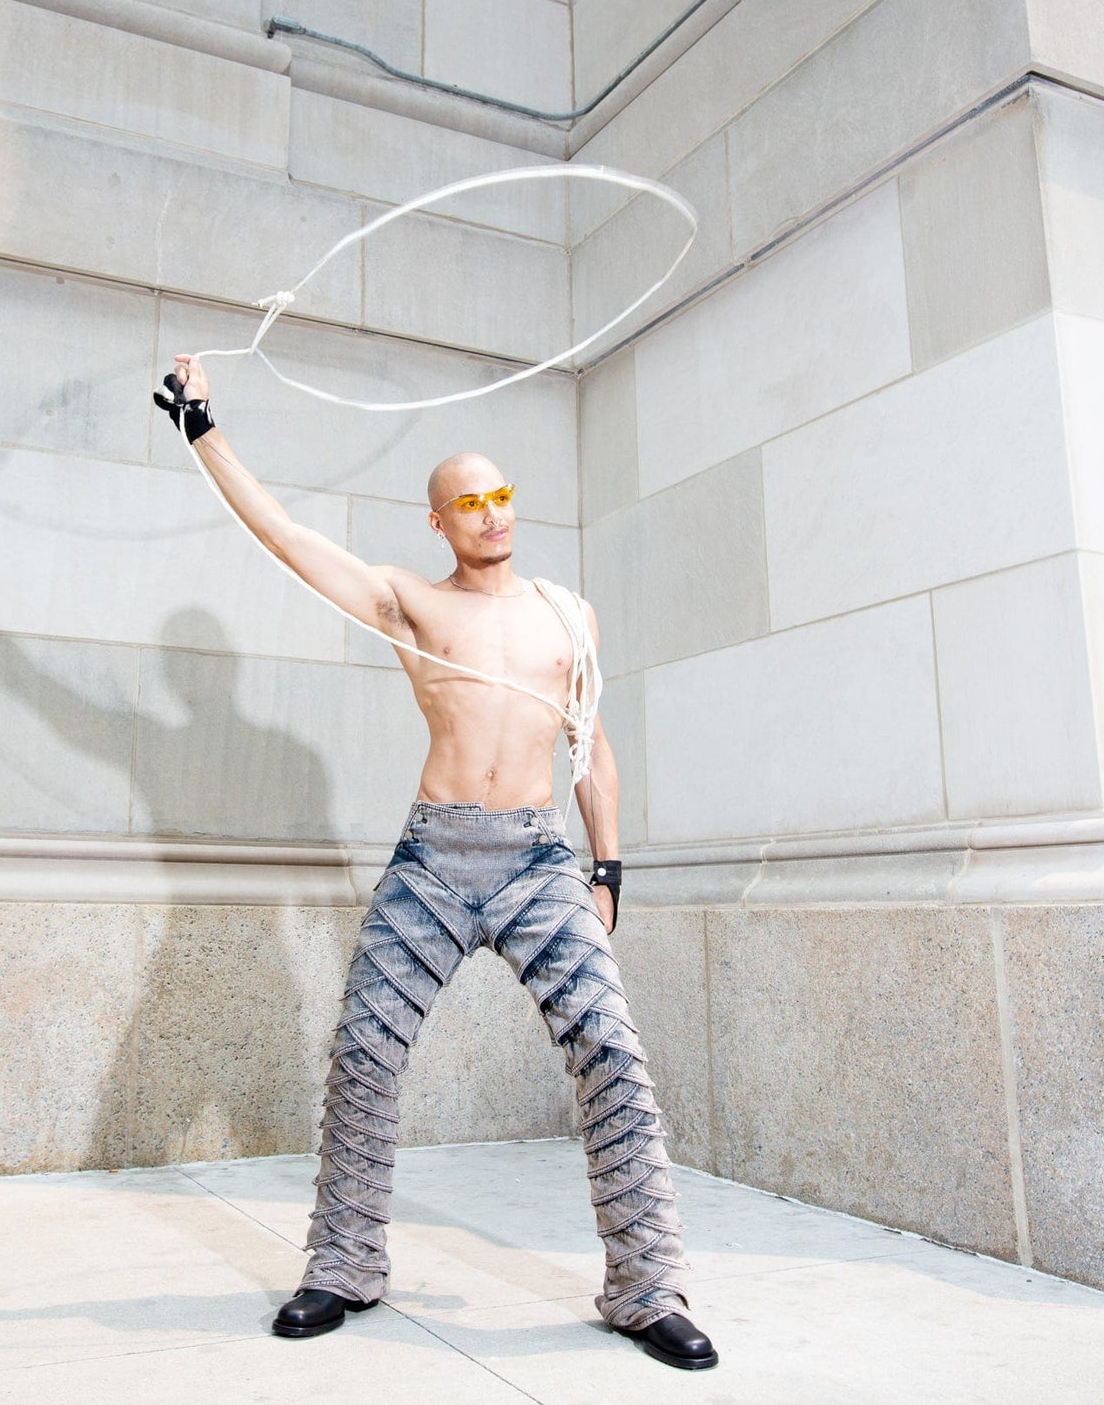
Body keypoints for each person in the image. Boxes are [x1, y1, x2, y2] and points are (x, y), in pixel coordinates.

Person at [155, 356, 717, 1372]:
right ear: (438, 522)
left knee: (611, 1053)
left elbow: (589, 743)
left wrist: (607, 871)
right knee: (365, 1055)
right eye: (470, 503)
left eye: (501, 497)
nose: (492, 515)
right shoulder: (410, 602)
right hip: (433, 857)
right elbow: (287, 539)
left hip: (539, 861)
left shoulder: (566, 613)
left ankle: (647, 1286)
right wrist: (205, 432)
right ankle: (344, 1264)